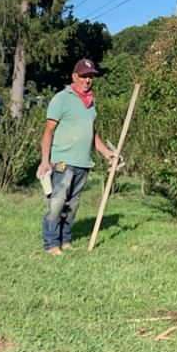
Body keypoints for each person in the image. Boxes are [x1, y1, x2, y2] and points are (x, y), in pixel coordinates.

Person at [36, 59, 115, 256]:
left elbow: (91, 133)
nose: (87, 80)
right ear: (74, 77)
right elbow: (48, 132)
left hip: (83, 163)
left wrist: (107, 153)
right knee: (57, 203)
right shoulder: (62, 99)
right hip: (63, 162)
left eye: (90, 76)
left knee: (72, 205)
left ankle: (66, 240)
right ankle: (51, 244)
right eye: (83, 76)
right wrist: (45, 160)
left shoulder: (91, 102)